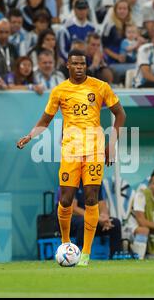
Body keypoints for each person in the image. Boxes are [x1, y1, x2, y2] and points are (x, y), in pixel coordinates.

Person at [16, 49, 126, 267]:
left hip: (94, 150)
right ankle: (66, 244)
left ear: (86, 66)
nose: (79, 67)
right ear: (68, 65)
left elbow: (120, 114)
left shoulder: (100, 87)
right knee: (65, 199)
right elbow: (46, 120)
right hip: (70, 151)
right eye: (75, 64)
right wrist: (30, 135)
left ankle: (85, 253)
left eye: (82, 64)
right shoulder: (59, 91)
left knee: (92, 197)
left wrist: (111, 144)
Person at [70, 183, 123, 259]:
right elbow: (73, 208)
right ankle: (79, 257)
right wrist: (96, 218)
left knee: (115, 223)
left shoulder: (97, 181)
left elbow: (102, 204)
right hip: (75, 219)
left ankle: (115, 257)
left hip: (94, 218)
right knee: (83, 222)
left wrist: (105, 217)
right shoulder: (73, 181)